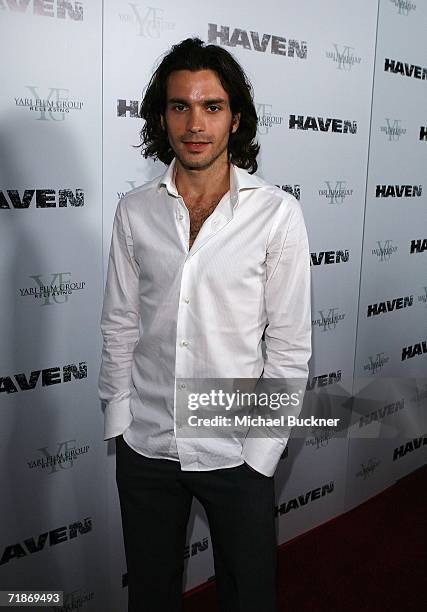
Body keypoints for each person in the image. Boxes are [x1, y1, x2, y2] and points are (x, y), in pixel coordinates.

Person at [98, 37, 311, 612]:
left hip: (236, 447)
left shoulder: (277, 213)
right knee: (150, 593)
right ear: (161, 117)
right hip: (147, 445)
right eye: (179, 106)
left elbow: (288, 350)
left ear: (235, 117)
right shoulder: (134, 210)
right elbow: (119, 323)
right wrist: (122, 423)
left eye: (212, 107)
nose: (195, 124)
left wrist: (260, 453)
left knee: (248, 596)